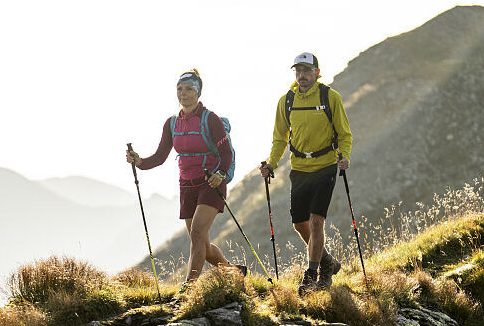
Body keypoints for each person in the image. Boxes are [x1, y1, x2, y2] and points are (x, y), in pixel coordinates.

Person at [126, 69, 242, 289]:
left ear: (198, 92)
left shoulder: (211, 119)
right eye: (179, 89)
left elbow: (226, 153)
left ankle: (188, 290)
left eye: (189, 89)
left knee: (198, 233)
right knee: (202, 244)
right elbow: (160, 157)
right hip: (186, 185)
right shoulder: (172, 123)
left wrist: (220, 175)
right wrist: (139, 161)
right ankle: (233, 274)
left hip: (211, 183)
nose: (183, 93)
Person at [260, 52, 353, 293]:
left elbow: (344, 133)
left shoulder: (330, 97)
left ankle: (313, 276)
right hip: (299, 168)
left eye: (307, 71)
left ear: (317, 72)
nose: (302, 75)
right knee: (300, 224)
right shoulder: (286, 101)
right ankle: (328, 262)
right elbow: (280, 139)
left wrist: (344, 156)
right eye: (298, 71)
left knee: (315, 221)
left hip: (325, 166)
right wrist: (271, 164)